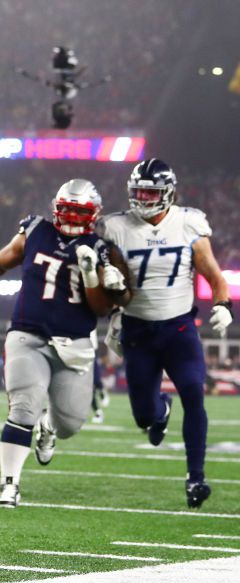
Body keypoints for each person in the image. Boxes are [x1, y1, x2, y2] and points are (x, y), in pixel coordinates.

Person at [0, 179, 128, 508]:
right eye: (67, 212)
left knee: (71, 424)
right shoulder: (35, 231)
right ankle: (9, 485)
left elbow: (102, 307)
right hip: (27, 335)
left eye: (80, 213)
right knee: (22, 406)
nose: (72, 219)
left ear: (92, 215)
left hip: (74, 344)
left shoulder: (102, 247)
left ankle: (49, 425)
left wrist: (93, 276)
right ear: (56, 209)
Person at [98, 159, 232, 508]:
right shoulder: (116, 227)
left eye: (150, 192)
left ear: (168, 193)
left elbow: (214, 273)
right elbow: (117, 288)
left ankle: (196, 477)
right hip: (138, 330)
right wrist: (114, 300)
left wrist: (222, 304)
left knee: (194, 394)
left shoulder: (188, 223)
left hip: (179, 329)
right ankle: (161, 412)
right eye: (138, 191)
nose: (142, 199)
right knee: (144, 415)